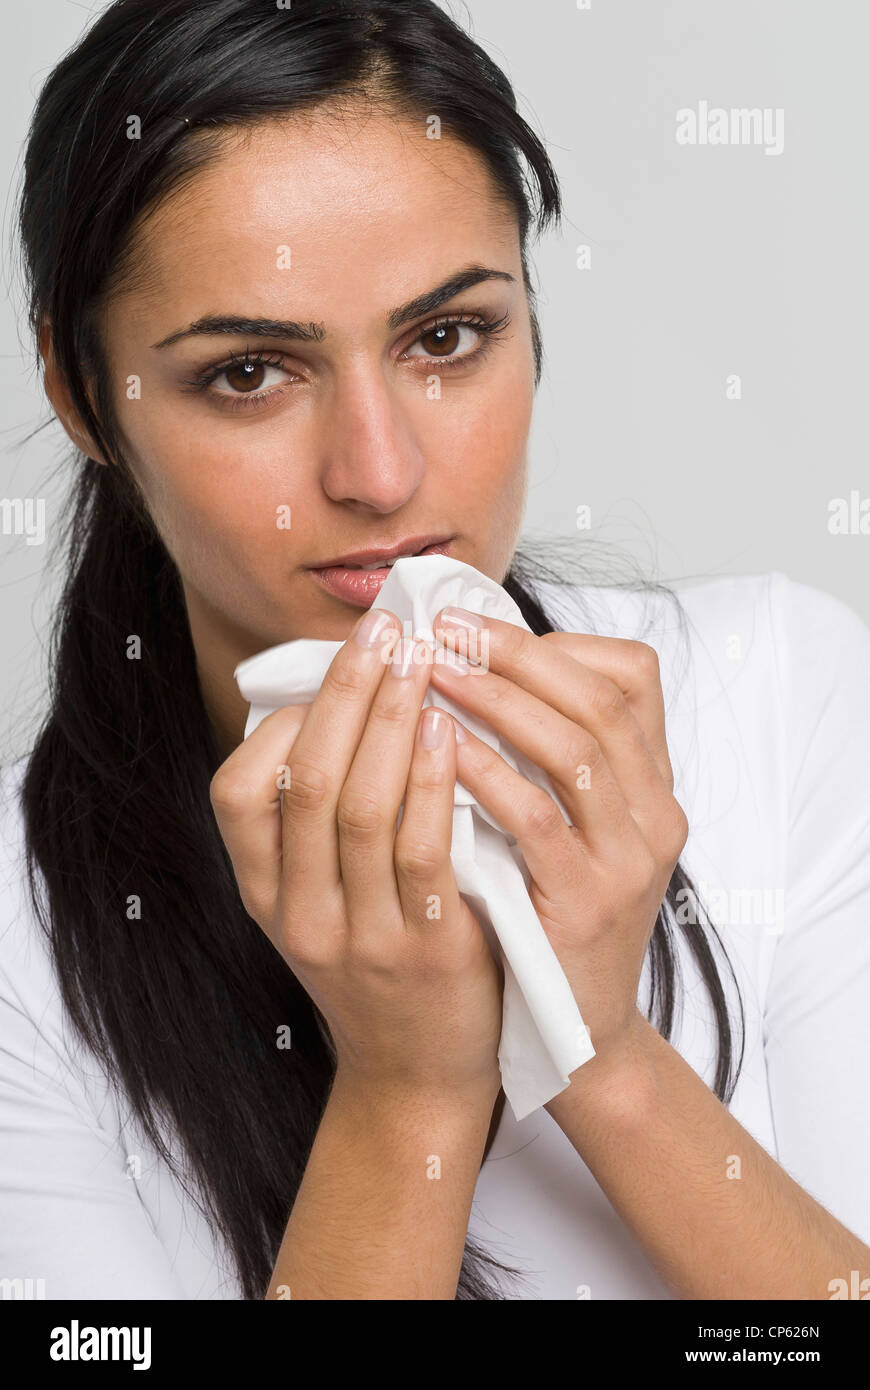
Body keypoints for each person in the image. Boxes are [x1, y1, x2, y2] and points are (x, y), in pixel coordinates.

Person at [2, 0, 869, 1300]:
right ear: (82, 395)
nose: (380, 471)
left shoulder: (775, 690)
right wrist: (407, 1090)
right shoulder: (21, 942)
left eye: (446, 338)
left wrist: (601, 1046)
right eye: (249, 372)